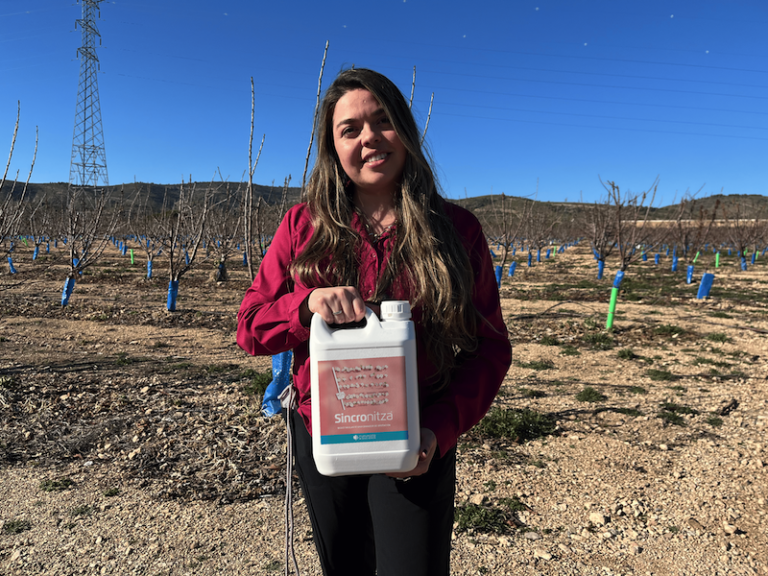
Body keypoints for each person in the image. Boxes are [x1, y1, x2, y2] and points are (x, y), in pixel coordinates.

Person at [237, 68, 511, 576]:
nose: (369, 138)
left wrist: (438, 429)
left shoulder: (457, 230)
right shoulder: (301, 226)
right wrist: (305, 306)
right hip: (324, 434)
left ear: (404, 129)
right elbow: (250, 327)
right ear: (333, 147)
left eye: (382, 121)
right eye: (350, 129)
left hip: (414, 439)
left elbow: (490, 349)